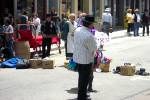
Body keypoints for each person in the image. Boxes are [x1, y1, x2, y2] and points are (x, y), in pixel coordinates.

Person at [73, 15, 97, 100]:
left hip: (78, 57)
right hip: (86, 60)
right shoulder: (89, 35)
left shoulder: (77, 30)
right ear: (90, 24)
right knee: (85, 79)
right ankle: (81, 96)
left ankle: (82, 94)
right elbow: (93, 49)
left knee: (81, 78)